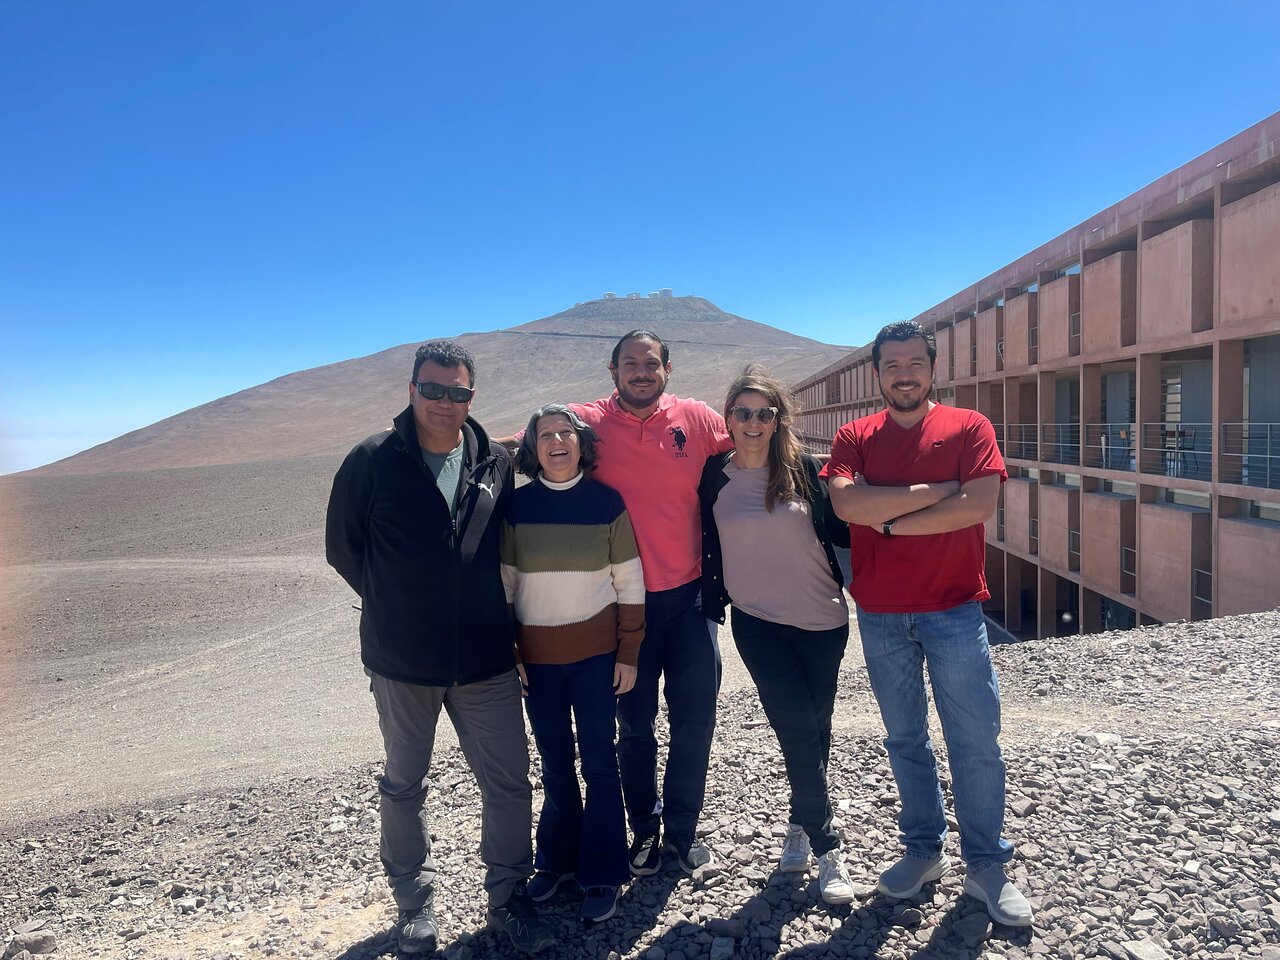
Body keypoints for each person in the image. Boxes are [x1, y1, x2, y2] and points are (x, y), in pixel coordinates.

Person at [325, 340, 555, 955]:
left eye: (458, 393)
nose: (445, 403)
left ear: (471, 398)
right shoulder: (372, 460)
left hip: (486, 657)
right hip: (402, 662)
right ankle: (415, 902)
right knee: (404, 781)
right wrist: (398, 603)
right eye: (433, 389)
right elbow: (344, 550)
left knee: (508, 781)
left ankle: (509, 895)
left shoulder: (494, 464)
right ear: (411, 390)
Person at [822, 320, 1033, 927]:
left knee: (974, 742)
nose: (904, 374)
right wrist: (936, 491)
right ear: (878, 373)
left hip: (954, 609)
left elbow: (977, 506)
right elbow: (846, 504)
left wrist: (886, 522)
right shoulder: (854, 435)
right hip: (882, 615)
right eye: (892, 365)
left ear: (933, 368)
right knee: (904, 739)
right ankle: (922, 852)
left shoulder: (970, 427)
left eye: (914, 363)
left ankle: (987, 865)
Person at [504, 330, 732, 875]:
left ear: (667, 369)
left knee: (696, 721)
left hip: (689, 600)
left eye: (650, 363)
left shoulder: (695, 419)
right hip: (624, 613)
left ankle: (681, 830)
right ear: (612, 372)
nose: (641, 372)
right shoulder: (587, 422)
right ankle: (645, 830)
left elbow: (753, 444)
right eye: (630, 364)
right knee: (634, 727)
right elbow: (511, 448)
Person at [697, 365, 856, 905]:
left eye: (764, 413)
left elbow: (846, 532)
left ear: (777, 420)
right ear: (729, 419)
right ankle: (827, 844)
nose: (753, 422)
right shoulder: (712, 476)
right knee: (793, 726)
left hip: (823, 621)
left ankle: (796, 824)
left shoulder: (806, 472)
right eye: (743, 412)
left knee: (816, 727)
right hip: (758, 623)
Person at [500, 404, 646, 923]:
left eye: (567, 433)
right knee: (556, 764)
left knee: (601, 764)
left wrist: (628, 651)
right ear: (532, 448)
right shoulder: (515, 508)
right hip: (538, 665)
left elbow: (629, 581)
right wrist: (511, 651)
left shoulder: (607, 503)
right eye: (545, 435)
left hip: (594, 660)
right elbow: (506, 586)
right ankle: (557, 861)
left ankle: (603, 871)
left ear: (582, 443)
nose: (557, 441)